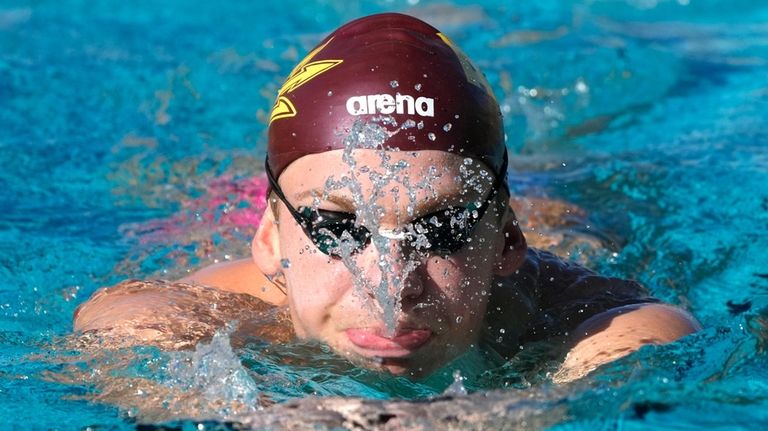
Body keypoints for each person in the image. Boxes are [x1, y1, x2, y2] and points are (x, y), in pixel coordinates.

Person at [74, 13, 700, 382]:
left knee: (561, 202)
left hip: (544, 211)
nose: (389, 283)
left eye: (441, 227)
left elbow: (655, 337)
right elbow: (113, 326)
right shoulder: (231, 309)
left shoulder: (561, 315)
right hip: (222, 205)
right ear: (269, 239)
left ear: (507, 240)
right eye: (338, 230)